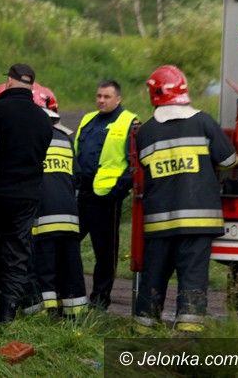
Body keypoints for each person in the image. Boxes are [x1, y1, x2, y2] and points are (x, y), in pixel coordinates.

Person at [134, 65, 237, 333]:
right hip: (198, 220)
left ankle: (143, 328)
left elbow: (144, 166)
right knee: (193, 275)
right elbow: (229, 160)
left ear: (154, 94)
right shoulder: (203, 122)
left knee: (154, 274)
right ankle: (187, 335)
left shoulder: (145, 132)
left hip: (160, 221)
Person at [0, 63, 53, 323]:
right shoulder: (43, 119)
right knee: (17, 253)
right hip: (27, 196)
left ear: (8, 81)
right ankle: (7, 312)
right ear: (32, 85)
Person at [74, 79, 138, 309]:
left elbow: (134, 164)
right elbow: (77, 152)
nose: (101, 100)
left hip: (107, 198)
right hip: (83, 194)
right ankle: (70, 293)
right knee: (68, 243)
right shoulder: (88, 119)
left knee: (105, 253)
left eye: (107, 97)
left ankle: (100, 299)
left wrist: (117, 191)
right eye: (99, 96)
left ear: (118, 99)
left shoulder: (129, 122)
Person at [29, 85, 88, 318]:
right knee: (70, 268)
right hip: (69, 218)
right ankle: (75, 314)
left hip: (42, 219)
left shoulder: (31, 139)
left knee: (44, 269)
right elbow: (77, 177)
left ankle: (47, 315)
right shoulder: (65, 139)